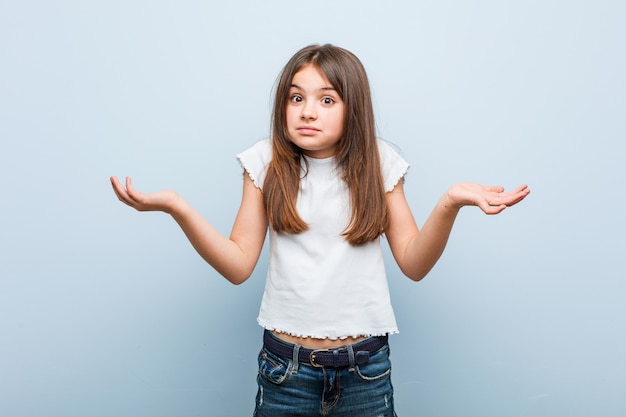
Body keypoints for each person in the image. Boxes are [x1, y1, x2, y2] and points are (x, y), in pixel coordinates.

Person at [110, 44, 530, 417]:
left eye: (326, 99)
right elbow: (238, 265)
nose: (307, 110)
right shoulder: (266, 162)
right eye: (296, 97)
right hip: (284, 373)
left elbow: (415, 263)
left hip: (365, 372)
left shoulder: (380, 163)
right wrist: (176, 207)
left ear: (353, 109)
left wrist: (451, 202)